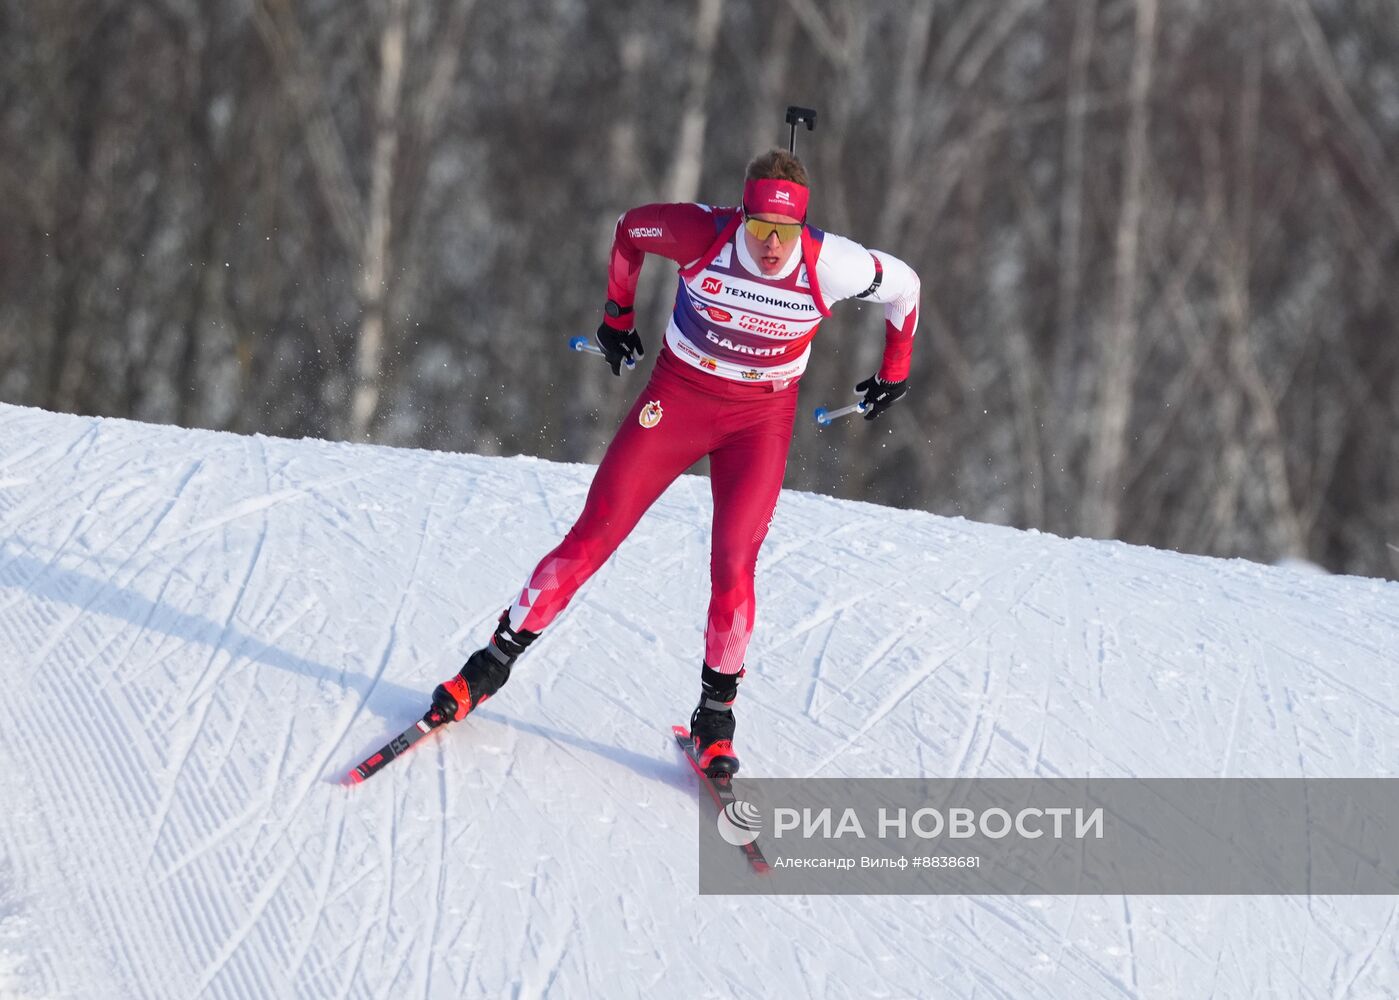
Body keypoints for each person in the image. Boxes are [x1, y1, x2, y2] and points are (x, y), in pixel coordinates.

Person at [430, 148, 920, 777]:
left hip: (759, 422)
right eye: (761, 228)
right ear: (740, 216)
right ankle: (487, 668)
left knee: (734, 567)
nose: (773, 245)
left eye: (787, 230)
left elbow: (905, 286)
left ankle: (715, 720)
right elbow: (631, 230)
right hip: (680, 396)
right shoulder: (702, 233)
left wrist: (895, 372)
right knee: (595, 532)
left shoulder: (833, 263)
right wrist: (617, 316)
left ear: (805, 226)